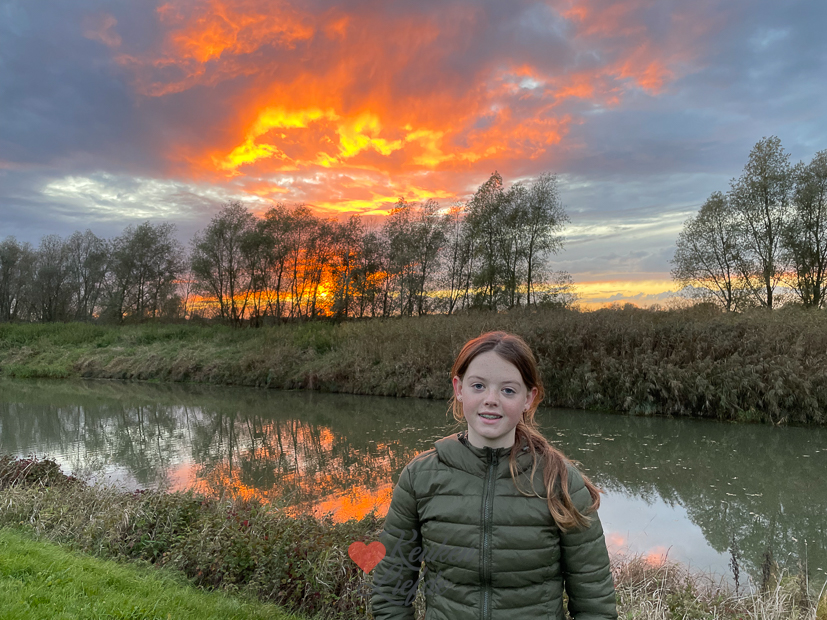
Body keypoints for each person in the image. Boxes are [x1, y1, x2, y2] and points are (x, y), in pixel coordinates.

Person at [370, 331, 617, 620]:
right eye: (478, 386)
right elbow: (391, 592)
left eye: (508, 390)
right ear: (459, 389)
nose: (491, 400)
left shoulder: (560, 481)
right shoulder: (419, 477)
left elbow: (594, 605)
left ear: (529, 398)